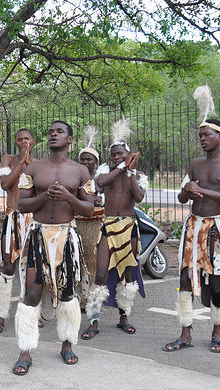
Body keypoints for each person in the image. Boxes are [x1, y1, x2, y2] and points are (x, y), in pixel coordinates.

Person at [163, 85, 220, 353]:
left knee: (216, 282)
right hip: (193, 227)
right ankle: (185, 333)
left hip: (215, 228)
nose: (202, 139)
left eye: (207, 134)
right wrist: (186, 192)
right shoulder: (195, 164)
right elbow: (182, 197)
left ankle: (217, 332)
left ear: (219, 136)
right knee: (186, 280)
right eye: (200, 135)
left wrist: (203, 190)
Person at [12, 120, 94, 375]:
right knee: (31, 294)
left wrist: (68, 197)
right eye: (50, 132)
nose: (53, 135)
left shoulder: (80, 171)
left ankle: (67, 344)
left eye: (59, 132)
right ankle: (25, 351)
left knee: (68, 294)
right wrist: (45, 196)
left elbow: (89, 209)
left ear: (70, 139)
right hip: (38, 236)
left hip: (66, 237)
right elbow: (22, 205)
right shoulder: (34, 169)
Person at [80, 117, 149, 340]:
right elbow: (98, 185)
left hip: (128, 227)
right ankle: (94, 321)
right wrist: (120, 168)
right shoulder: (105, 174)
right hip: (108, 227)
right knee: (100, 274)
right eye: (114, 155)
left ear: (128, 155)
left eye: (121, 154)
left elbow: (138, 197)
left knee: (128, 275)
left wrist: (128, 172)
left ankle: (124, 318)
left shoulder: (137, 176)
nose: (117, 157)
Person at [0, 129, 36, 333]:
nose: (24, 142)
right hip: (12, 219)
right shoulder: (8, 160)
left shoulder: (37, 165)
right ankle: (1, 315)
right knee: (9, 267)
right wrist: (21, 162)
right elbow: (6, 184)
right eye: (20, 139)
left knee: (31, 269)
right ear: (16, 142)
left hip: (32, 220)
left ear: (33, 142)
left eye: (27, 139)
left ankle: (30, 313)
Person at [75, 125, 105, 307]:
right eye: (83, 159)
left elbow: (103, 200)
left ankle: (93, 298)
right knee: (79, 259)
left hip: (96, 226)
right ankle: (79, 295)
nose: (86, 162)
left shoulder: (101, 179)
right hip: (78, 223)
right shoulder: (76, 177)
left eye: (89, 159)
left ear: (96, 161)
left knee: (94, 261)